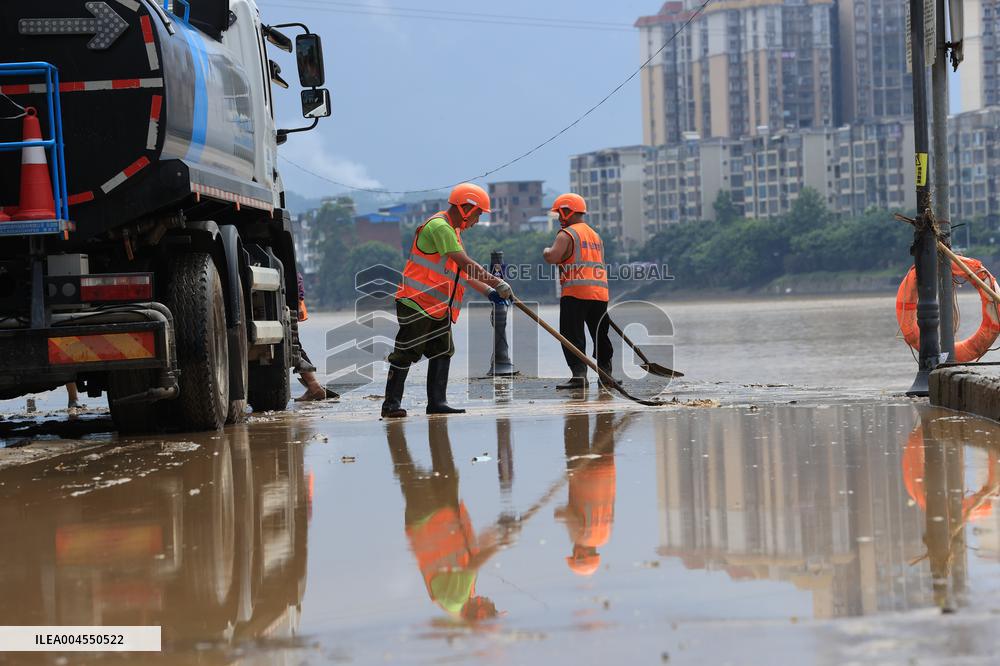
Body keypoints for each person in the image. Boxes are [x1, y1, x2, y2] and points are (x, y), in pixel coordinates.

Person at [381, 183, 512, 418]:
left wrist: (488, 293)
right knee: (406, 352)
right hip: (417, 302)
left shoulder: (453, 231)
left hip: (439, 306)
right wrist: (496, 283)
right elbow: (465, 263)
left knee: (443, 351)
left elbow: (460, 272)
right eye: (478, 213)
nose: (477, 220)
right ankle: (391, 405)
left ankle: (437, 402)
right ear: (466, 208)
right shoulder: (440, 227)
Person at [386, 419, 502, 622]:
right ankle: (434, 422)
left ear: (481, 613)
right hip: (447, 517)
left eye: (492, 607)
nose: (491, 601)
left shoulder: (455, 600)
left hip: (427, 521)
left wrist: (499, 545)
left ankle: (393, 427)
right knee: (445, 467)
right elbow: (468, 553)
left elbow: (472, 564)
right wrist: (495, 537)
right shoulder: (463, 599)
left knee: (407, 468)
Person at [542, 193, 613, 390]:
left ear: (567, 211)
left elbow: (554, 257)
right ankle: (606, 374)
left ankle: (579, 375)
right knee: (600, 334)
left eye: (560, 213)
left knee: (572, 335)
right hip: (599, 293)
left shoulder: (567, 234)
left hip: (575, 292)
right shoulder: (595, 236)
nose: (559, 218)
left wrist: (546, 251)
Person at [555, 412, 618, 577]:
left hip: (606, 470)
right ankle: (578, 410)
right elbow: (564, 515)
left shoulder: (605, 536)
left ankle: (606, 398)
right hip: (581, 471)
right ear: (579, 555)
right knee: (575, 427)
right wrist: (558, 515)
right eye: (573, 553)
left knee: (604, 424)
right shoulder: (580, 536)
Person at [294, 272, 338, 402]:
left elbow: (297, 280)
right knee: (295, 345)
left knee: (294, 346)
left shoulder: (292, 273)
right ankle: (314, 386)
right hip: (290, 303)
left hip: (289, 304)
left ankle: (314, 387)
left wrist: (298, 300)